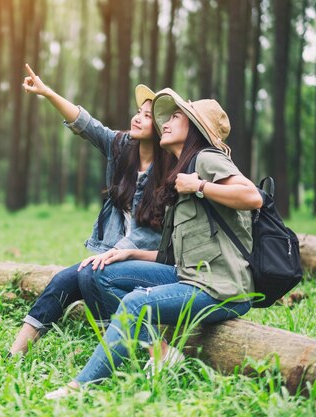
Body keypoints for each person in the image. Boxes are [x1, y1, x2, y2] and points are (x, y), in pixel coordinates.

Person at [45, 88, 263, 399]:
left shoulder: (206, 159)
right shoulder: (180, 169)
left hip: (222, 289)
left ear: (196, 129)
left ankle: (79, 387)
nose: (166, 123)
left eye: (176, 117)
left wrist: (200, 185)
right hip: (190, 276)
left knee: (136, 303)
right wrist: (131, 252)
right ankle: (157, 354)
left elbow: (252, 197)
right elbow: (172, 255)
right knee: (100, 272)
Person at [9, 64, 173, 355]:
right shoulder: (122, 148)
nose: (138, 118)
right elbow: (86, 124)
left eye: (148, 116)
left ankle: (147, 350)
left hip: (148, 262)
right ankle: (15, 352)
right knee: (64, 279)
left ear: (161, 127)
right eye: (139, 112)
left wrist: (113, 256)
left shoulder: (172, 172)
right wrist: (47, 92)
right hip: (112, 254)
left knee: (89, 275)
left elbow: (153, 237)